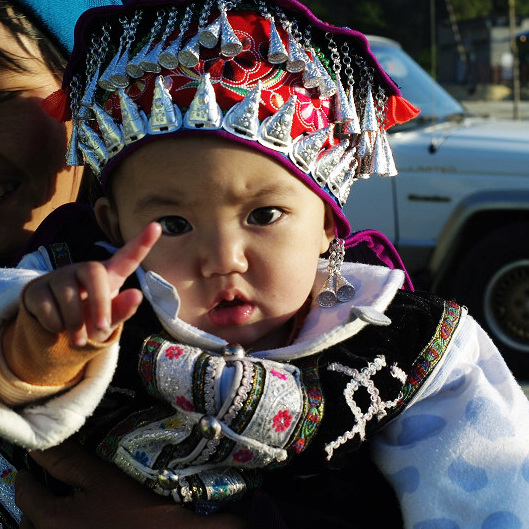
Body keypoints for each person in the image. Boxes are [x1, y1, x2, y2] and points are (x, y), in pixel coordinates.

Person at [1, 0, 529, 528]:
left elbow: (486, 496)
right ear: (113, 226)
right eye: (175, 225)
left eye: (265, 214)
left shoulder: (403, 347)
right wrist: (49, 342)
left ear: (328, 223)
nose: (223, 259)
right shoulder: (84, 291)